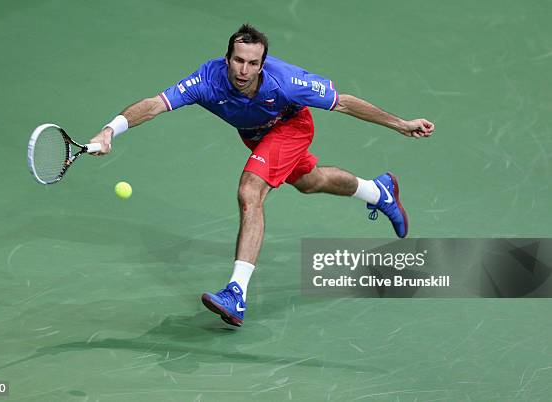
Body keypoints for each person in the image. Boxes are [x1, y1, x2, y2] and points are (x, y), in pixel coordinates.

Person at [89, 24, 434, 327]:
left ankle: (236, 292)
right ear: (227, 59)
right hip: (257, 135)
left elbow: (343, 102)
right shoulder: (206, 81)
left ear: (262, 64)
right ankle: (377, 192)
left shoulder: (285, 83)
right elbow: (154, 104)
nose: (244, 70)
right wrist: (109, 131)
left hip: (291, 129)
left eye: (253, 63)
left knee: (249, 191)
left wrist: (400, 124)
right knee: (309, 181)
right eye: (238, 61)